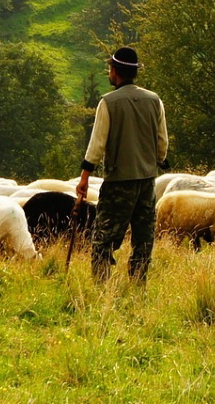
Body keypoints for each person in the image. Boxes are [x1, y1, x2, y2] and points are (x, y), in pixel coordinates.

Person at [76, 46, 169, 284]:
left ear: (115, 71)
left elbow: (96, 145)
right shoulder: (154, 100)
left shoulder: (108, 102)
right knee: (143, 238)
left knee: (104, 238)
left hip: (118, 182)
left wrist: (85, 176)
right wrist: (157, 161)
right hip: (147, 181)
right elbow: (162, 142)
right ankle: (138, 285)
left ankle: (102, 287)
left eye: (110, 68)